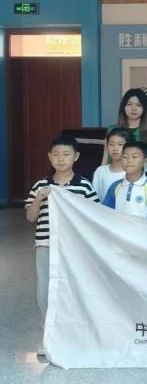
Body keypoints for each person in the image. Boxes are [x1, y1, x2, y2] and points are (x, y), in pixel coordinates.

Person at [25, 135, 98, 358]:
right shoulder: (41, 185)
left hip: (73, 246)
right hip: (46, 244)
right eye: (55, 154)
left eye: (66, 154)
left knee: (73, 286)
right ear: (49, 157)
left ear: (76, 156)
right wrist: (38, 199)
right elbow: (30, 217)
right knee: (45, 289)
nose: (60, 158)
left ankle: (73, 333)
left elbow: (93, 215)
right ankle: (48, 335)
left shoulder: (84, 185)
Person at [102, 141, 147, 219]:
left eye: (134, 157)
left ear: (145, 161)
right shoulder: (115, 186)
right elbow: (107, 212)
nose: (129, 160)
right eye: (125, 157)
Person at [103, 88, 147, 163]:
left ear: (144, 108)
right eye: (129, 104)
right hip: (114, 169)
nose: (133, 108)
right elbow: (106, 156)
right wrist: (101, 170)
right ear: (123, 106)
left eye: (138, 105)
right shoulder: (112, 129)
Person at [92, 127, 129, 204]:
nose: (115, 148)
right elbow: (94, 198)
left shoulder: (133, 173)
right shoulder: (100, 171)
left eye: (120, 144)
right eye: (111, 144)